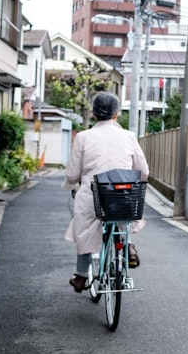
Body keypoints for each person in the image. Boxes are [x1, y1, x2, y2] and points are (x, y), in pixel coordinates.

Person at [63, 91, 149, 293]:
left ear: (93, 114)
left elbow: (73, 175)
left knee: (82, 223)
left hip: (93, 196)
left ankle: (81, 275)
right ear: (116, 114)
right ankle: (127, 244)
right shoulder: (128, 136)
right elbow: (143, 171)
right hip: (123, 196)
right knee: (122, 214)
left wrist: (72, 182)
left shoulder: (83, 137)